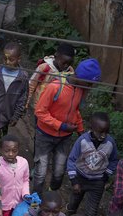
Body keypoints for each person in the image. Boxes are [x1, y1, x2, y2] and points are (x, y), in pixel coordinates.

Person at [32, 57, 101, 193]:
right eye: (89, 84)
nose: (90, 87)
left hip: (65, 138)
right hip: (44, 135)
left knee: (59, 171)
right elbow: (40, 112)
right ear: (82, 78)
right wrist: (61, 126)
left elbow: (75, 111)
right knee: (40, 172)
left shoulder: (80, 90)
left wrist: (81, 131)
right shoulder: (55, 87)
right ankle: (35, 199)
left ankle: (51, 197)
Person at [0, 41, 29, 142]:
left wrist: (16, 116)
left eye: (11, 59)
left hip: (8, 115)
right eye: (5, 59)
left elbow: (22, 99)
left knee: (1, 137)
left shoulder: (23, 77)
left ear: (19, 59)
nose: (7, 62)